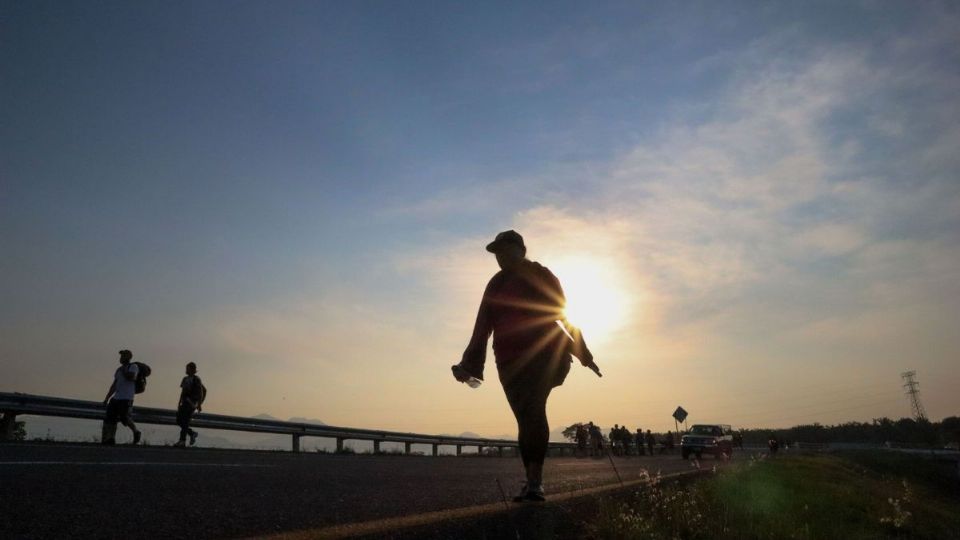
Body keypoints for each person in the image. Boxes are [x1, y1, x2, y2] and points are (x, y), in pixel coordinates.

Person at [453, 230, 600, 502]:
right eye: (496, 252)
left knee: (533, 409)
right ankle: (531, 481)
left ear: (521, 249)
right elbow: (482, 326)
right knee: (524, 417)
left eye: (505, 249)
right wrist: (468, 365)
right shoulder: (495, 284)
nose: (500, 256)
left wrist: (583, 353)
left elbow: (562, 317)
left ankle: (535, 483)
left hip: (544, 355)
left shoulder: (542, 276)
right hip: (507, 362)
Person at [102, 349, 141, 445]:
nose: (121, 358)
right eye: (121, 356)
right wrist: (107, 397)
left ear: (128, 357)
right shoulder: (118, 370)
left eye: (123, 356)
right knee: (111, 418)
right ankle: (111, 438)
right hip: (116, 398)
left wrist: (124, 369)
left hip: (127, 398)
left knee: (125, 418)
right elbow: (114, 385)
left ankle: (136, 431)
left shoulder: (133, 367)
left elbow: (132, 377)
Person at [174, 362, 206, 448]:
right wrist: (179, 402)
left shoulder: (196, 379)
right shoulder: (185, 379)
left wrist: (199, 404)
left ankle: (182, 441)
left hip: (191, 403)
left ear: (192, 370)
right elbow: (183, 392)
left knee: (185, 420)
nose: (186, 370)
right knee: (179, 420)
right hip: (184, 402)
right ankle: (192, 433)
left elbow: (200, 392)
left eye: (187, 368)